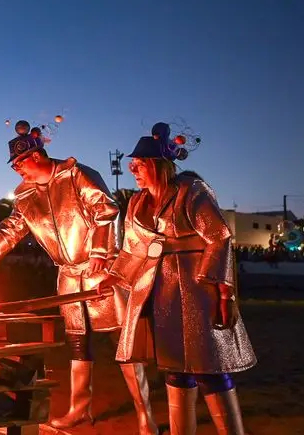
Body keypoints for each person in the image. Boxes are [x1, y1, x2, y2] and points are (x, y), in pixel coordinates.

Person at [0, 121, 158, 433]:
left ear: (36, 156)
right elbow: (13, 227)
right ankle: (80, 409)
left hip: (102, 273)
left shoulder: (77, 174)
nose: (17, 171)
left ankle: (146, 417)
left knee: (123, 343)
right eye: (14, 165)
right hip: (67, 275)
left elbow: (106, 210)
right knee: (78, 344)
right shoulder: (25, 195)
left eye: (19, 164)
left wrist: (98, 253)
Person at [106, 122, 256, 435]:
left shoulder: (191, 191)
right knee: (174, 368)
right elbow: (133, 250)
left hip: (197, 291)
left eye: (138, 165)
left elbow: (219, 237)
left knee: (209, 368)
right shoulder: (136, 203)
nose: (132, 170)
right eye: (131, 165)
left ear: (156, 166)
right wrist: (114, 278)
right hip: (160, 295)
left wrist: (220, 290)